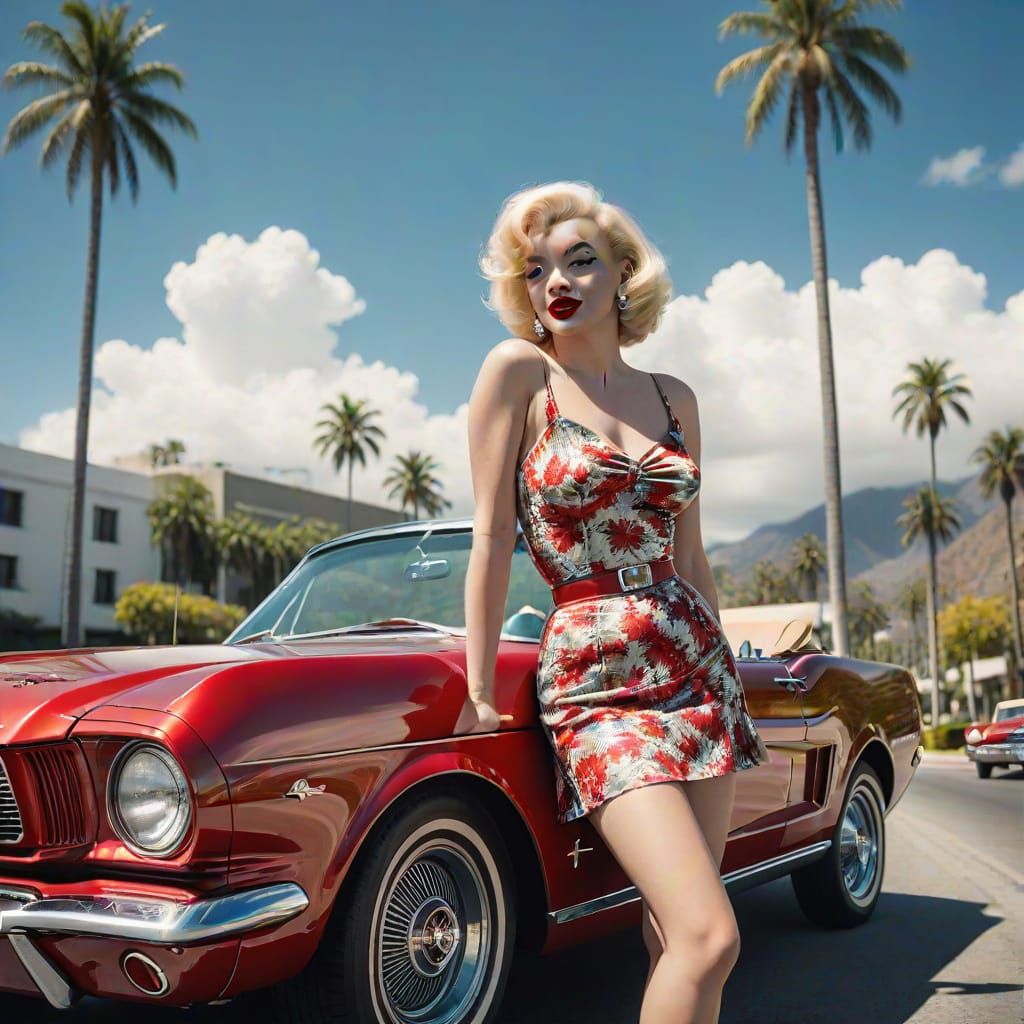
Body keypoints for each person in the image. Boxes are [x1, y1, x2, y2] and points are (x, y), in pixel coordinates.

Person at [461, 180, 770, 1024]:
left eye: (579, 260)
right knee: (712, 936)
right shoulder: (521, 375)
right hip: (597, 677)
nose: (555, 281)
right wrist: (479, 684)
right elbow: (491, 539)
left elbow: (692, 551)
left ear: (624, 274)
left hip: (694, 661)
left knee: (675, 939)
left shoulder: (676, 399)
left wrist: (729, 666)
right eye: (536, 269)